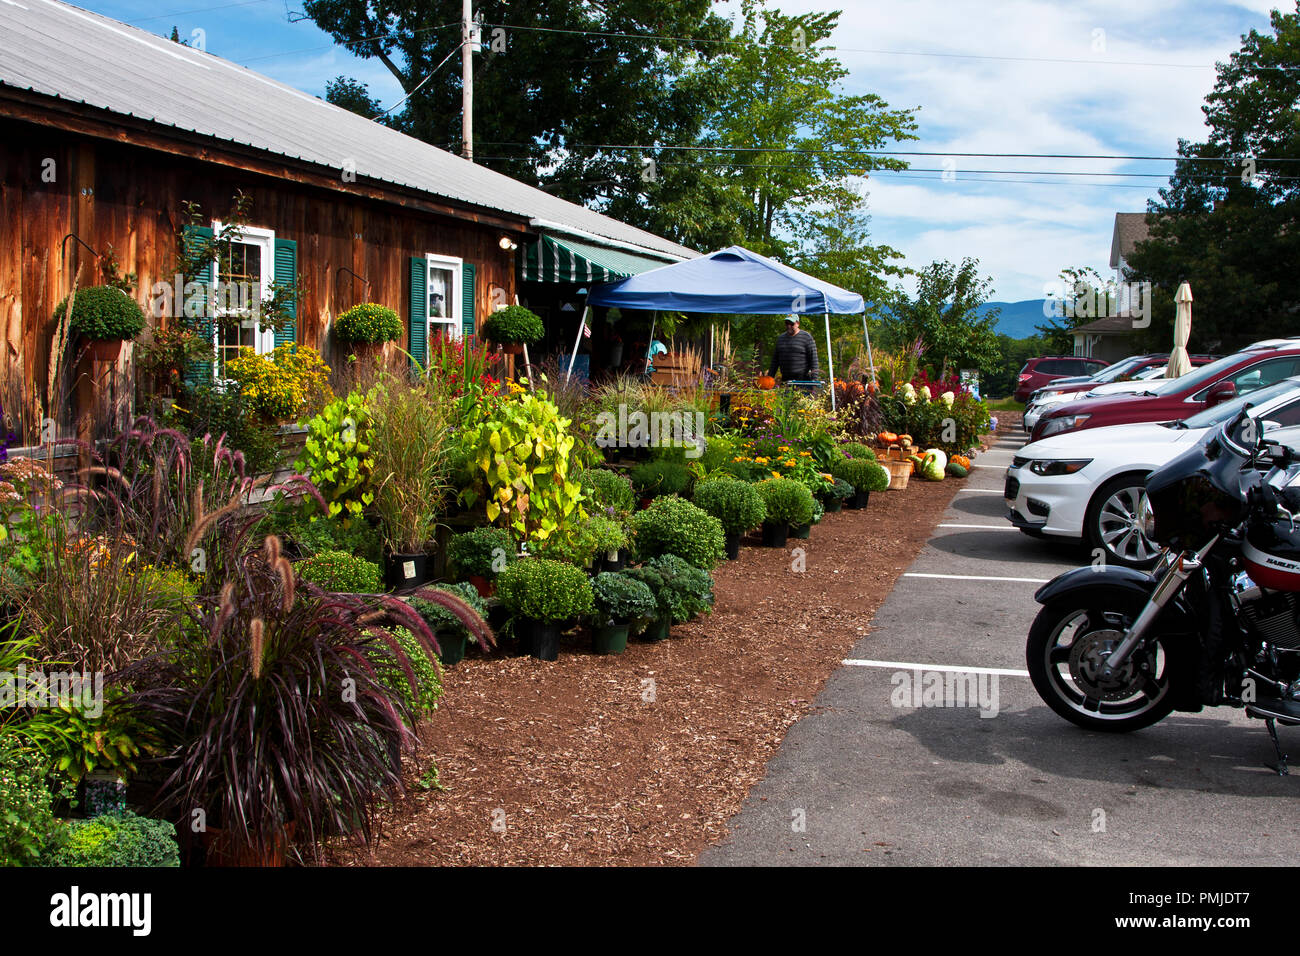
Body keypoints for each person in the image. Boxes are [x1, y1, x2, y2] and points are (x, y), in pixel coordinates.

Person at [768, 315, 820, 382]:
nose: (789, 326)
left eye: (792, 324)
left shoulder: (807, 337)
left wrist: (814, 379)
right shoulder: (781, 339)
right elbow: (775, 361)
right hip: (786, 380)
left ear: (798, 324)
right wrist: (769, 377)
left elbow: (814, 359)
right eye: (787, 323)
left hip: (803, 380)